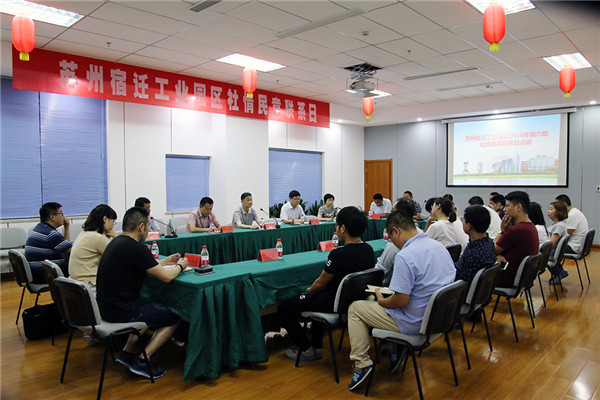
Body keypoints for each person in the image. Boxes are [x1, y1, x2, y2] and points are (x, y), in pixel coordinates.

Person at [346, 200, 455, 391]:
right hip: (439, 319)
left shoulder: (406, 255)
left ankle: (362, 364)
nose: (392, 242)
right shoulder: (438, 247)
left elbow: (400, 301)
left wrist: (382, 300)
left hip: (415, 322)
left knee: (355, 308)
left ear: (396, 231)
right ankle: (395, 349)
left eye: (390, 237)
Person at [96, 206, 188, 379]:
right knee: (175, 317)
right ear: (141, 227)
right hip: (122, 311)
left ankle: (126, 353)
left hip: (105, 308)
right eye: (147, 227)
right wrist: (180, 266)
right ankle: (142, 360)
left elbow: (146, 265)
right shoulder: (136, 248)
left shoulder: (117, 242)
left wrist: (166, 261)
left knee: (148, 306)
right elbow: (167, 277)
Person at [277, 206, 375, 362]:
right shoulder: (369, 250)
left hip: (333, 303)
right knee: (317, 297)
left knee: (284, 307)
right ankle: (317, 345)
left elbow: (321, 283)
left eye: (337, 225)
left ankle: (305, 349)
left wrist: (309, 291)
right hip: (353, 302)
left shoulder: (338, 254)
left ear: (343, 228)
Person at [494, 191, 539, 287]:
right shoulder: (530, 226)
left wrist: (502, 231)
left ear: (518, 207)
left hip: (505, 279)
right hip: (522, 279)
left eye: (507, 206)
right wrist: (499, 254)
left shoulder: (516, 230)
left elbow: (492, 249)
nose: (504, 209)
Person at [69, 204, 118, 287]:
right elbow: (119, 256)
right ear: (105, 219)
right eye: (113, 221)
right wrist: (116, 237)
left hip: (77, 284)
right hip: (90, 284)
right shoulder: (97, 238)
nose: (113, 225)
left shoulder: (84, 233)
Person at [25, 202, 72, 282]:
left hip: (38, 272)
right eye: (61, 213)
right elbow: (71, 251)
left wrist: (66, 228)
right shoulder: (50, 234)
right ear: (52, 217)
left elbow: (66, 247)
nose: (63, 217)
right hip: (46, 275)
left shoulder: (41, 228)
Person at [455, 205, 497, 285]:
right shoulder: (489, 242)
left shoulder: (473, 254)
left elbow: (461, 281)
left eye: (464, 220)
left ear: (469, 226)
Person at [553, 194, 589, 282]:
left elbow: (565, 235)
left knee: (549, 251)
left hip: (574, 247)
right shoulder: (574, 212)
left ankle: (559, 272)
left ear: (564, 205)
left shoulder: (572, 215)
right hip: (577, 245)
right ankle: (559, 272)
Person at [546, 200, 569, 277]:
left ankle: (559, 273)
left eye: (551, 209)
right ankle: (559, 272)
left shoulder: (559, 226)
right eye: (548, 209)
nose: (548, 211)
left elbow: (551, 243)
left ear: (559, 212)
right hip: (552, 253)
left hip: (550, 254)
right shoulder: (556, 225)